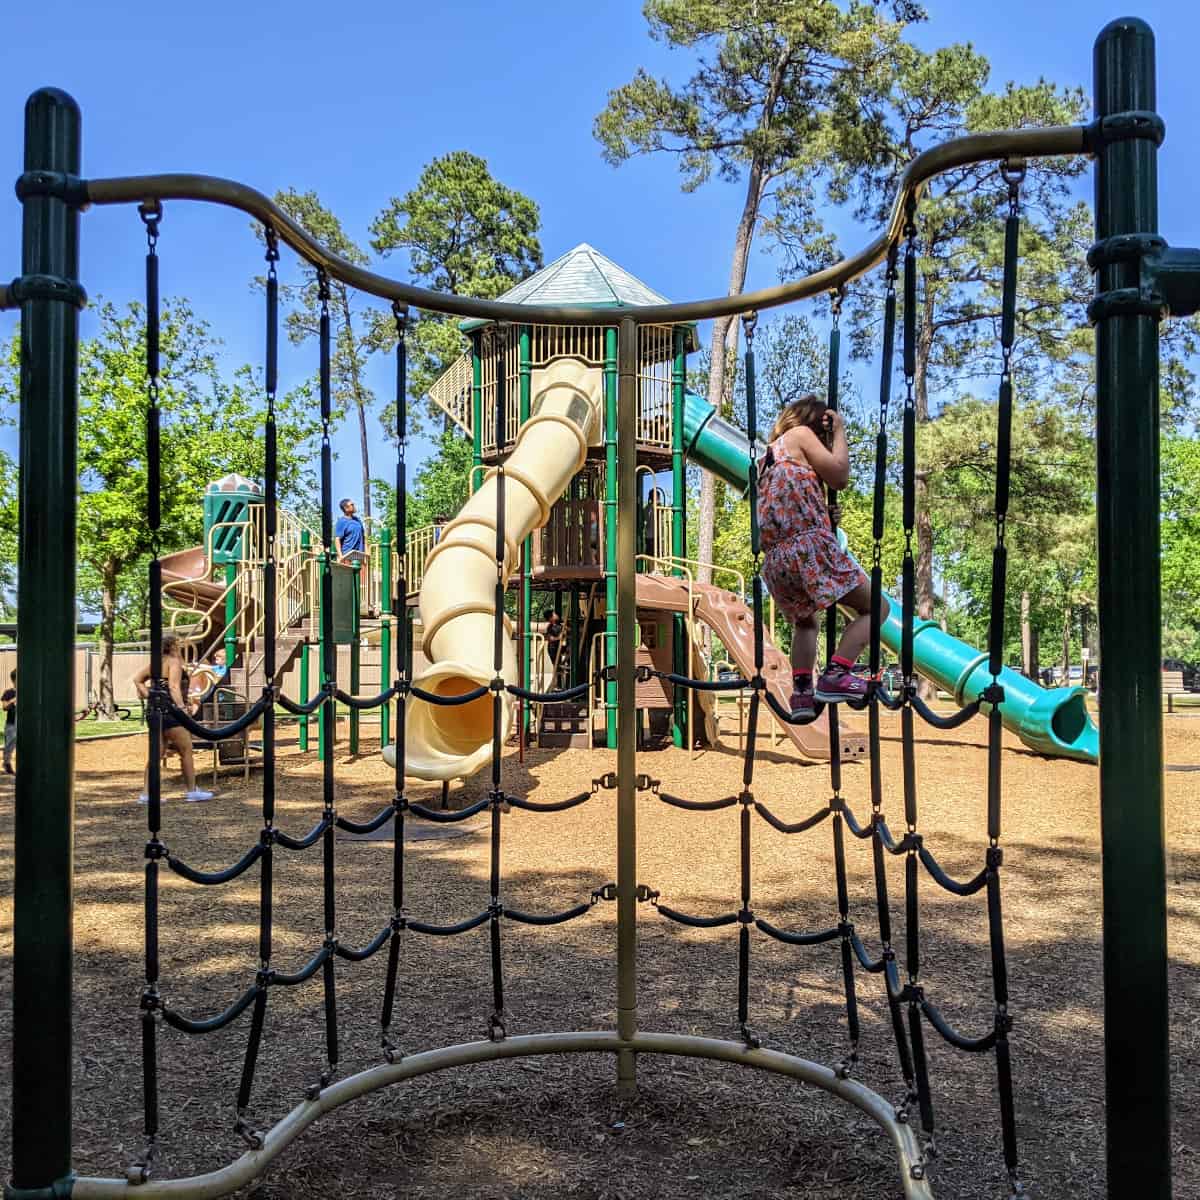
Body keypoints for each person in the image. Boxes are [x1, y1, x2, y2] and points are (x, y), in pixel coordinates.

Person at [757, 393, 885, 718]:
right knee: (877, 608)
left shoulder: (765, 460)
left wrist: (824, 517)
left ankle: (801, 694)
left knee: (806, 622)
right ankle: (836, 674)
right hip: (806, 549)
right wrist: (840, 431)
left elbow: (785, 505)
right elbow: (839, 476)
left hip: (775, 562)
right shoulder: (799, 436)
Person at [132, 633, 214, 803]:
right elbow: (174, 686)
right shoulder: (173, 662)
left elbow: (137, 679)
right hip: (171, 711)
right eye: (179, 644)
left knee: (156, 754)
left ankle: (147, 794)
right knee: (186, 750)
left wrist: (150, 695)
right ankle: (192, 791)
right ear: (173, 646)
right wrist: (182, 709)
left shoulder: (156, 663)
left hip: (154, 711)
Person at [334, 498, 367, 563]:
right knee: (349, 573)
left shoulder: (357, 520)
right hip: (347, 555)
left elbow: (363, 537)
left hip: (359, 554)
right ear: (346, 508)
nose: (354, 506)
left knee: (361, 572)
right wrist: (340, 556)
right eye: (352, 505)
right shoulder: (341, 522)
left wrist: (366, 553)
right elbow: (337, 539)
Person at [2, 669, 15, 776]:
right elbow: (4, 707)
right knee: (9, 745)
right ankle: (7, 764)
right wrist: (13, 700)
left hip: (25, 724)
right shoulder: (8, 693)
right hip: (11, 724)